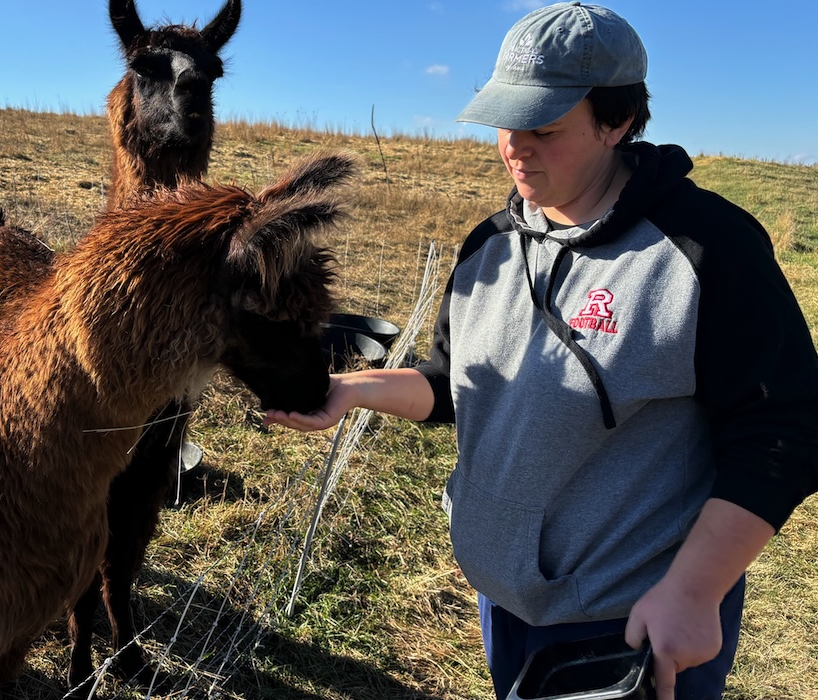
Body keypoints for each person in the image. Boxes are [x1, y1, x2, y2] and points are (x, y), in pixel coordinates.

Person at [265, 3, 818, 699]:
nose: (515, 147)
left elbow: (784, 431)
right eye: (507, 122)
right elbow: (451, 382)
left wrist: (694, 590)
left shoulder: (706, 249)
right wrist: (353, 392)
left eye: (545, 128)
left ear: (617, 122)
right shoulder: (488, 248)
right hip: (506, 603)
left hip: (634, 620)